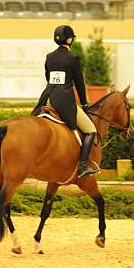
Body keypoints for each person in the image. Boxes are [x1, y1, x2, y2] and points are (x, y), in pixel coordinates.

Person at [32, 25, 99, 178]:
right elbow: (79, 83)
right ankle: (82, 166)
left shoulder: (50, 57)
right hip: (64, 102)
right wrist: (84, 104)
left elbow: (48, 78)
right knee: (91, 130)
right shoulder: (73, 58)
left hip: (48, 99)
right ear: (69, 39)